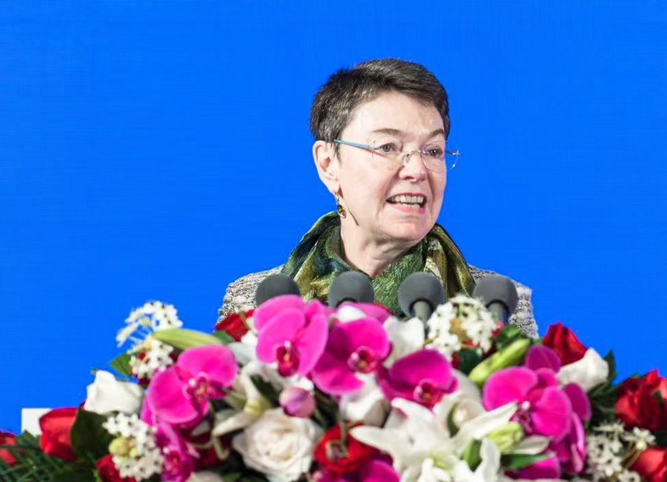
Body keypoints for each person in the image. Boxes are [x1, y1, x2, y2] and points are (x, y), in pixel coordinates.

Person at [219, 59, 537, 337]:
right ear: (328, 164)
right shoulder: (256, 302)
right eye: (387, 147)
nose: (417, 170)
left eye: (433, 151)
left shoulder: (496, 304)